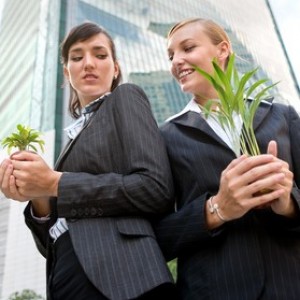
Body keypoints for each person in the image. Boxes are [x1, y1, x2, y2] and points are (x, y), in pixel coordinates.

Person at [0, 22, 177, 300]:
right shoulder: (70, 141)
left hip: (123, 277)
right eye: (77, 57)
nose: (89, 64)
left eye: (100, 55)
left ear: (115, 68)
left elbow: (154, 188)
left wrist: (55, 182)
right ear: (66, 71)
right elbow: (51, 242)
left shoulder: (125, 97)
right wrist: (39, 197)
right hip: (66, 274)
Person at [153, 18, 300, 300]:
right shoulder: (164, 137)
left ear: (222, 50)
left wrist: (288, 203)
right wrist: (216, 208)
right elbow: (157, 238)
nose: (176, 61)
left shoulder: (282, 115)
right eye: (171, 55)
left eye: (188, 48)